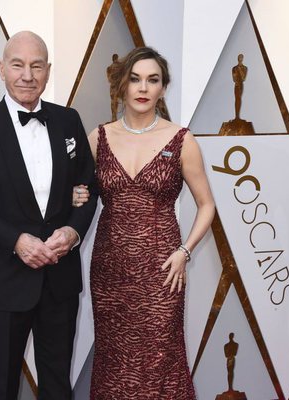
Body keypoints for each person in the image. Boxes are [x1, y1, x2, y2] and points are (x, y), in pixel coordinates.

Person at [0, 31, 97, 400]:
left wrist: (73, 233)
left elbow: (86, 189)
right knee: (1, 386)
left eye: (36, 66)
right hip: (7, 281)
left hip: (60, 281)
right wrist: (16, 241)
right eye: (18, 65)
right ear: (1, 69)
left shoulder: (68, 121)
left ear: (48, 71)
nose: (27, 75)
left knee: (57, 385)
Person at [73, 47, 215, 399]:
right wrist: (77, 195)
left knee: (159, 359)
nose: (143, 87)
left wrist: (184, 252)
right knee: (113, 359)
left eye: (152, 80)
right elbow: (81, 192)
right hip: (110, 269)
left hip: (163, 269)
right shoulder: (98, 138)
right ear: (122, 85)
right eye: (135, 79)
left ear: (163, 88)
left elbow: (207, 205)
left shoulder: (182, 140)